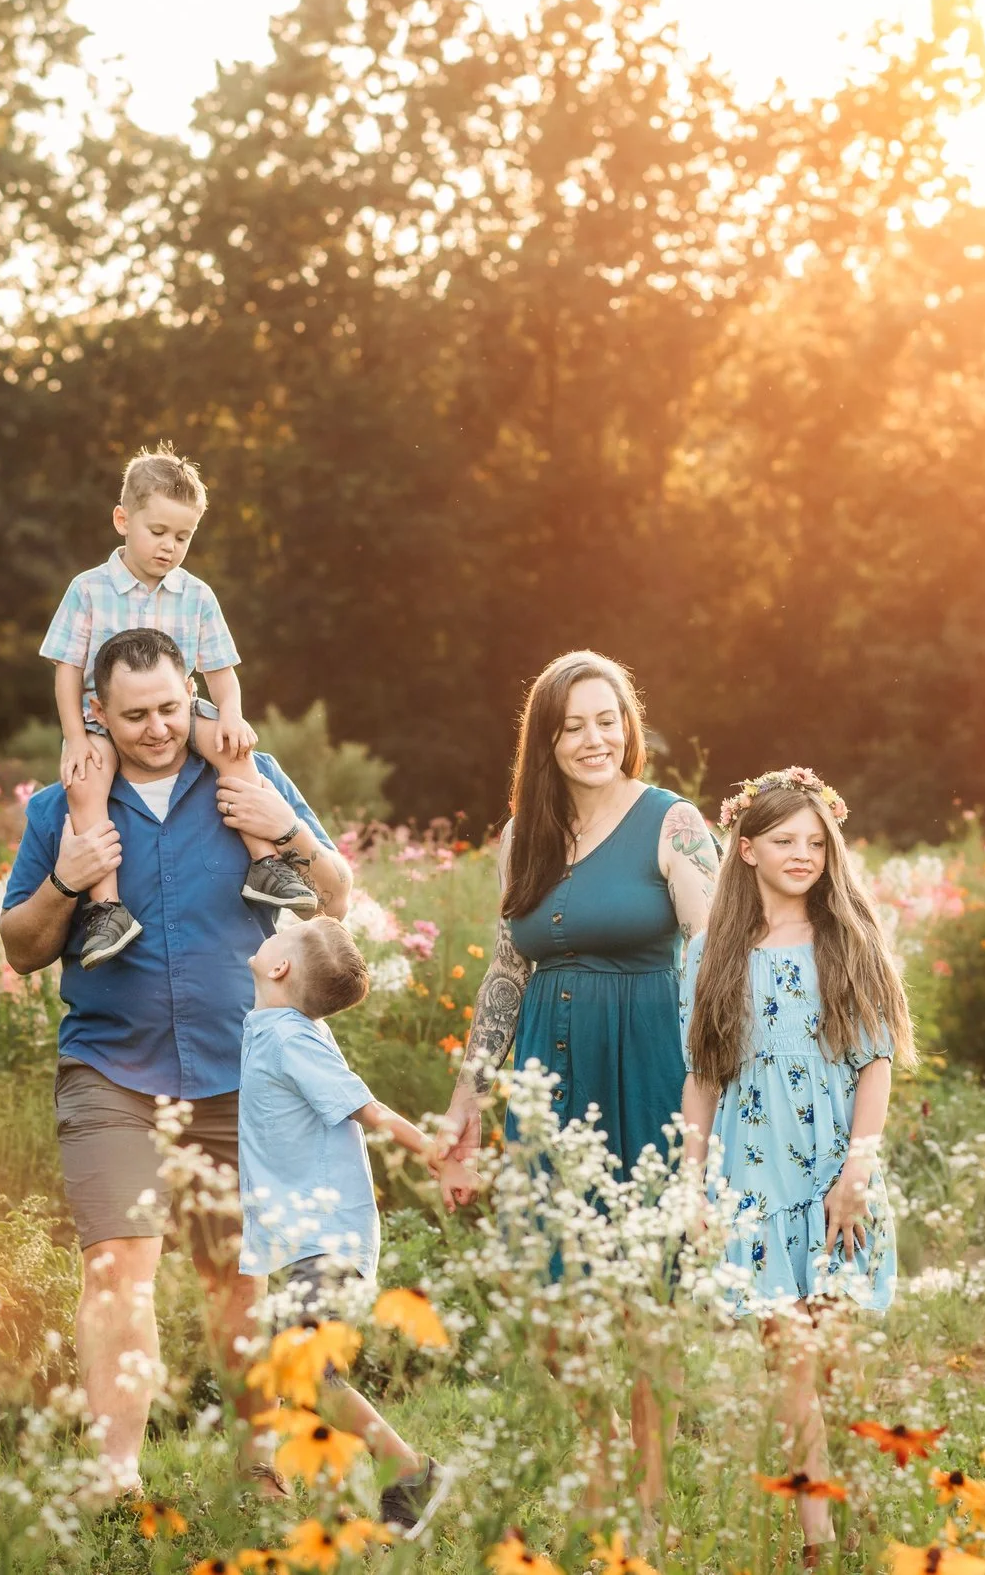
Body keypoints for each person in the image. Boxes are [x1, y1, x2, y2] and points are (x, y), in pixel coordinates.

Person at [0, 626, 353, 1496]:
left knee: (237, 1276)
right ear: (98, 711)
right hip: (112, 1071)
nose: (158, 728)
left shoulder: (247, 775)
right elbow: (21, 946)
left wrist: (285, 831)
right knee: (116, 1266)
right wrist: (67, 880)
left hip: (240, 1073)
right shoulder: (60, 809)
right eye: (135, 715)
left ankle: (258, 1460)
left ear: (191, 688)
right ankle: (116, 1479)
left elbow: (336, 897)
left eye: (169, 707)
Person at [435, 648, 720, 1517]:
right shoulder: (521, 836)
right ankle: (602, 1461)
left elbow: (713, 953)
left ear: (628, 726)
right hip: (544, 1079)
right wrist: (466, 1103)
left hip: (646, 1068)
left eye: (608, 720)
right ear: (546, 741)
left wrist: (720, 1092)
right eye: (573, 726)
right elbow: (506, 970)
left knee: (641, 1294)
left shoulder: (672, 822)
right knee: (550, 1292)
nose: (594, 739)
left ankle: (648, 1505)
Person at [677, 767, 914, 1567]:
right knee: (790, 1356)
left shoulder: (848, 939)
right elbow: (702, 1077)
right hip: (754, 1180)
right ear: (746, 848)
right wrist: (693, 1185)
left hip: (834, 1172)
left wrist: (858, 1173)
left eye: (816, 841)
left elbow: (876, 1063)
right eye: (784, 840)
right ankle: (820, 1536)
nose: (803, 853)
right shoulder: (712, 953)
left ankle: (858, 1495)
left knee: (832, 1353)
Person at [39, 446, 317, 970]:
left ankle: (264, 863)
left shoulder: (196, 596)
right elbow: (68, 671)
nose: (170, 546)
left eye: (183, 537)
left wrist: (231, 714)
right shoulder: (89, 590)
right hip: (104, 720)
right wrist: (75, 737)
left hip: (180, 714)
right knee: (85, 782)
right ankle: (107, 907)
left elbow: (221, 672)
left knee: (234, 749)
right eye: (158, 531)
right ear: (123, 520)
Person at [238, 913, 474, 1527]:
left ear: (280, 967)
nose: (271, 929)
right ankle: (390, 1475)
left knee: (304, 1371)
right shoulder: (279, 1023)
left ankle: (408, 1469)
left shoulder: (292, 1038)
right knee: (301, 1371)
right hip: (311, 1238)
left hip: (329, 1238)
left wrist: (437, 1156)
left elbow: (370, 1110)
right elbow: (295, 926)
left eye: (279, 937)